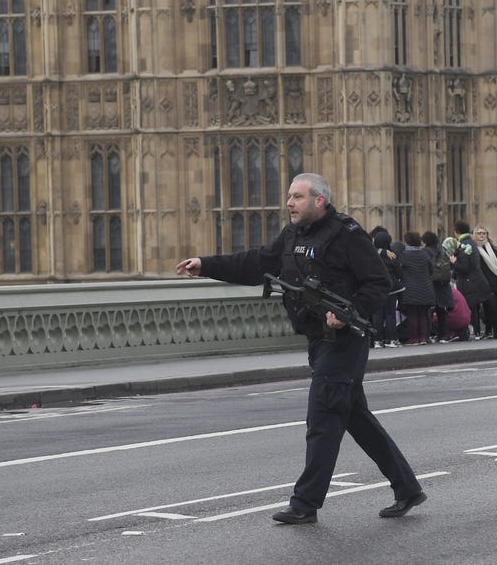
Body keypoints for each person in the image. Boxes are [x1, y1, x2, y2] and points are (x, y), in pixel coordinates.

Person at [175, 172, 426, 525]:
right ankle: (408, 489)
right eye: (290, 196)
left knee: (322, 419)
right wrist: (206, 265)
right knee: (356, 418)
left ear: (319, 201)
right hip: (316, 339)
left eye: (297, 197)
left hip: (344, 342)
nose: (289, 203)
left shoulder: (347, 234)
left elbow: (378, 283)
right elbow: (257, 263)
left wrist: (349, 312)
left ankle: (305, 502)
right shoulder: (292, 235)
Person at [449, 221, 492, 339]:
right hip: (477, 280)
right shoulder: (471, 243)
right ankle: (480, 332)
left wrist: (454, 263)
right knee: (476, 307)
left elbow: (464, 267)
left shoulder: (463, 245)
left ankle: (474, 332)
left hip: (468, 282)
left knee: (471, 308)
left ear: (456, 232)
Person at [398, 231, 436, 345]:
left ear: (407, 242)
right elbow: (431, 270)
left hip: (410, 288)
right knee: (423, 314)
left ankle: (414, 338)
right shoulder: (424, 254)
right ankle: (423, 338)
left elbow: (400, 271)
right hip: (425, 287)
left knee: (413, 314)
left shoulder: (404, 255)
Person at [472, 224, 497, 339]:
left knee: (495, 308)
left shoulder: (493, 248)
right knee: (487, 309)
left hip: (494, 282)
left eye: (484, 233)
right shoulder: (473, 249)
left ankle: (496, 332)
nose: (481, 235)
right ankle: (488, 331)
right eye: (479, 233)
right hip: (481, 283)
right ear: (475, 235)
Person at [371, 229, 404, 347]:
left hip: (376, 288)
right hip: (391, 289)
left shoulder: (372, 255)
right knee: (390, 314)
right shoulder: (391, 256)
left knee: (377, 315)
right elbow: (400, 273)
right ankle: (391, 339)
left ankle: (377, 340)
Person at [422, 230, 455, 342]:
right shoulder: (441, 251)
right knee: (441, 312)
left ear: (425, 242)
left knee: (428, 312)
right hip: (443, 285)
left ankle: (427, 335)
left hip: (431, 285)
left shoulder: (425, 252)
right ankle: (443, 335)